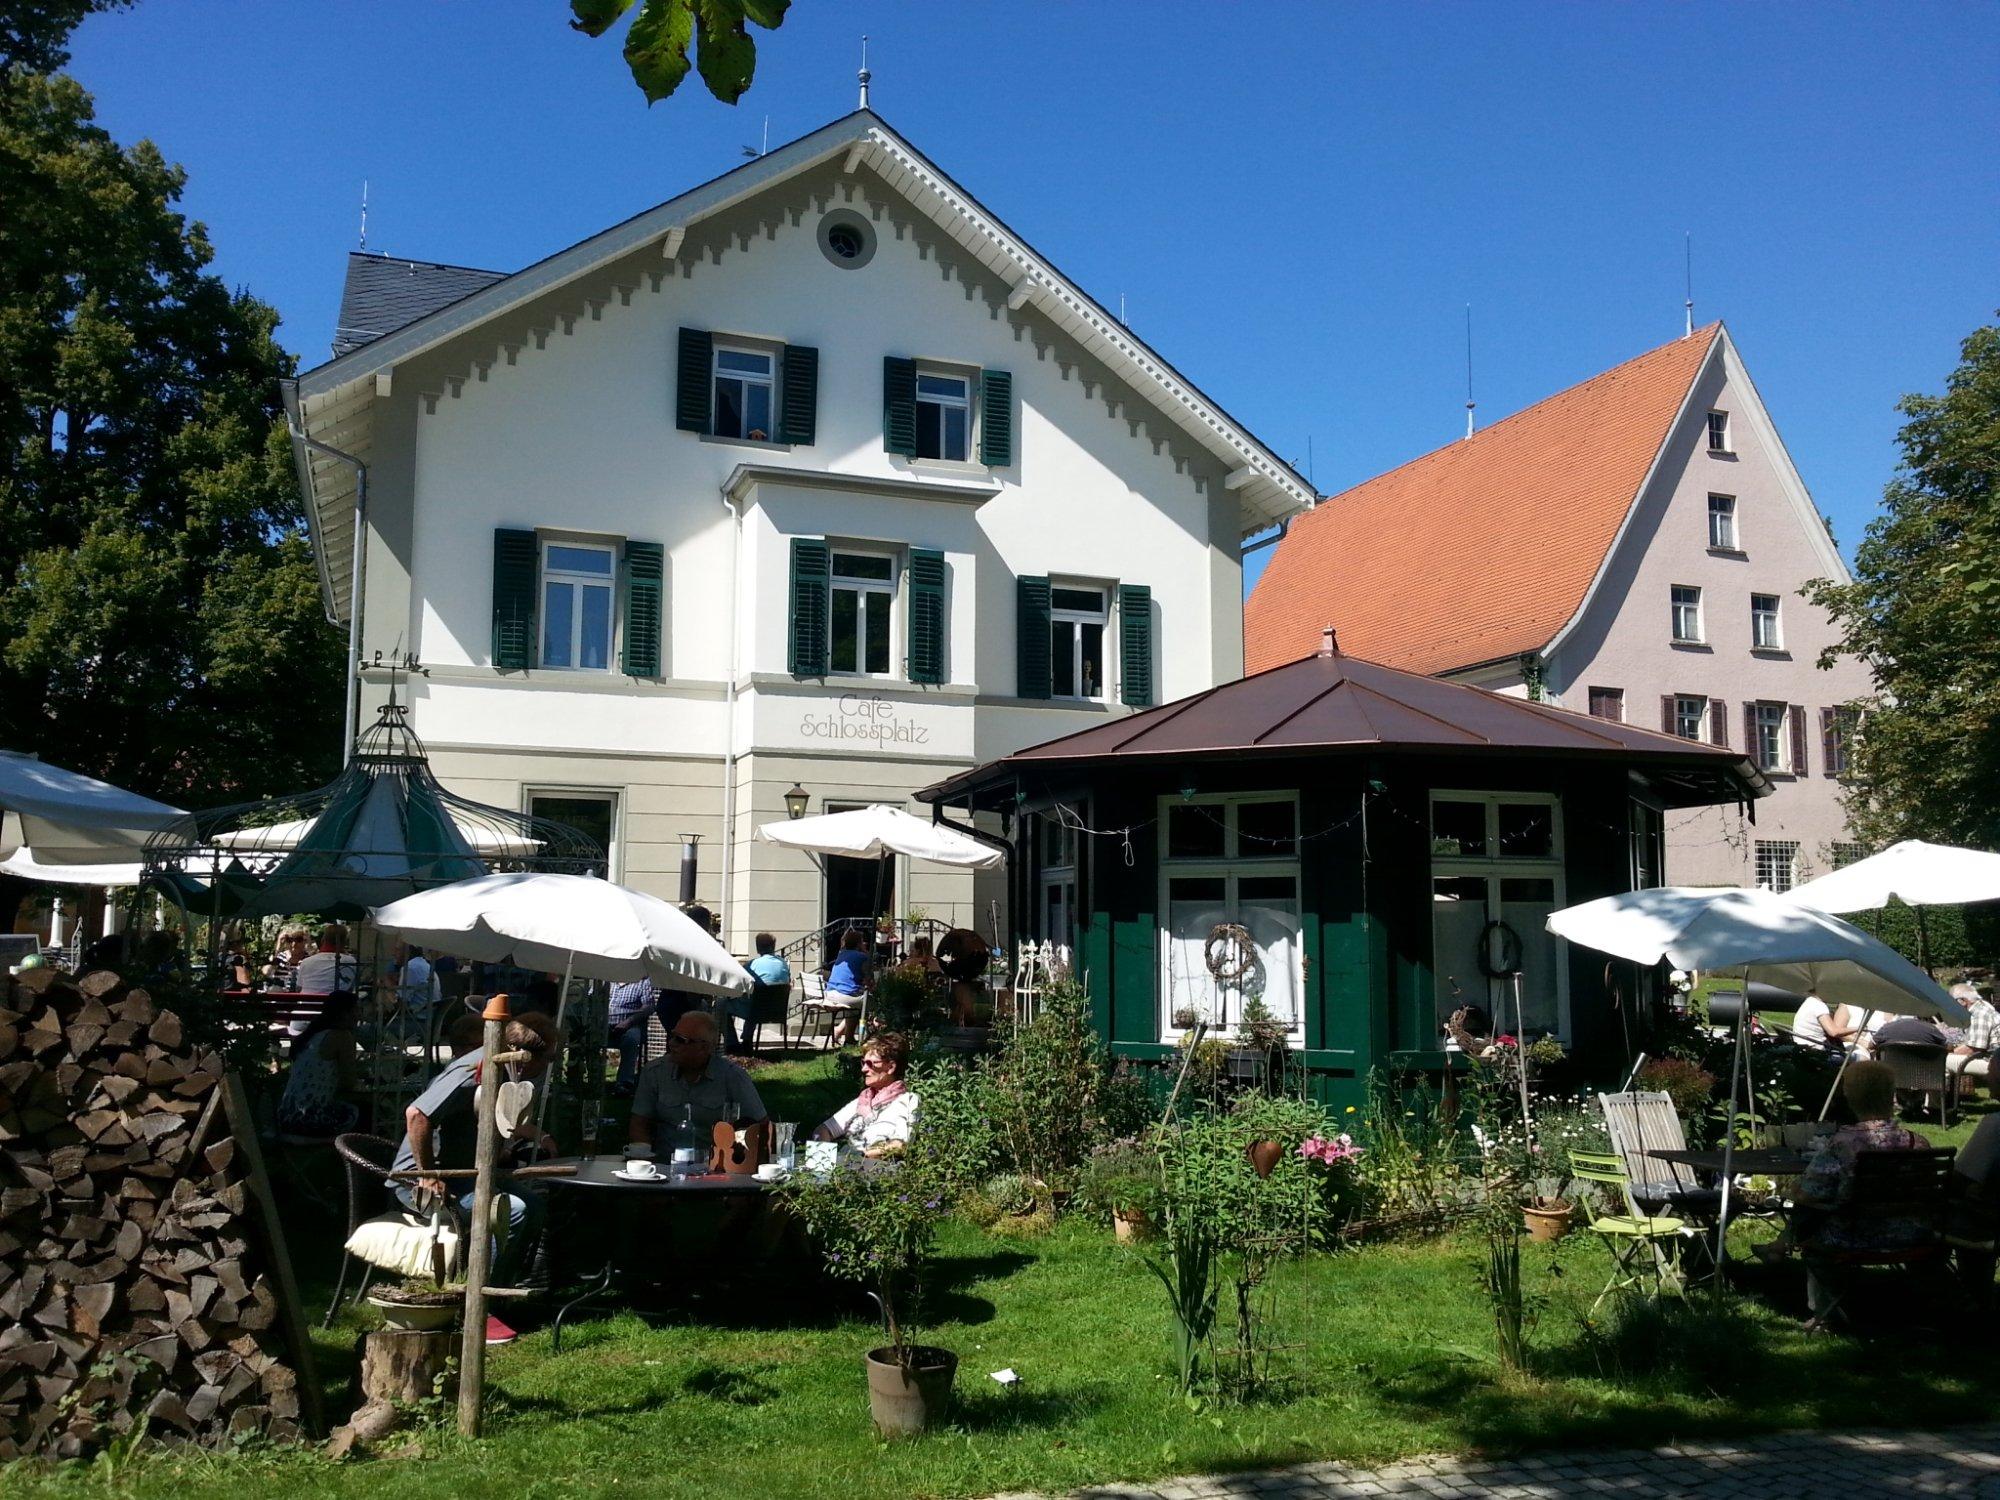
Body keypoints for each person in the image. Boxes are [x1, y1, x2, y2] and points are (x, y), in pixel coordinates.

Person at [392, 1010, 560, 1346]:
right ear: (526, 1057)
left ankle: (499, 1293)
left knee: (537, 1204)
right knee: (512, 1210)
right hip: (422, 1184)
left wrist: (528, 1135)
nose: (551, 1065)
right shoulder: (474, 1070)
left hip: (468, 1173)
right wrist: (427, 1176)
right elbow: (417, 1115)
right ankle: (473, 1307)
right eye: (551, 1058)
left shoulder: (503, 1071)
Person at [1787, 1060, 1934, 1319]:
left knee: (1807, 1216)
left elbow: (1811, 1193)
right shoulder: (1918, 1143)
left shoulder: (1844, 1144)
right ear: (1891, 1096)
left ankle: (1824, 1314)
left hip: (1853, 1236)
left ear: (1849, 1095)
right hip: (1913, 1235)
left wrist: (1793, 1191)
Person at [628, 1010, 768, 1158]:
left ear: (704, 1047)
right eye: (672, 1036)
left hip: (716, 1170)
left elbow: (762, 1126)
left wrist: (738, 1157)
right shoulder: (654, 1072)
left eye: (680, 1040)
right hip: (665, 1167)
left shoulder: (733, 1077)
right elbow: (639, 1123)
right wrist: (643, 1161)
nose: (671, 1043)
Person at [812, 1030, 920, 1157]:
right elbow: (824, 1130)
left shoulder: (907, 1100)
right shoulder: (864, 1100)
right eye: (863, 1062)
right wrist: (822, 1160)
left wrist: (861, 1156)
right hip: (844, 1168)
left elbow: (901, 1145)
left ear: (890, 1067)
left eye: (870, 1064)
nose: (863, 1069)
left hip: (877, 1171)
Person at [277, 990, 362, 1135]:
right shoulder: (342, 1037)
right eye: (356, 1011)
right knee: (362, 1112)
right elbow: (349, 1082)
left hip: (287, 1114)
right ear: (345, 1013)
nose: (359, 1016)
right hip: (309, 1118)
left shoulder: (313, 1034)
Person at [607, 976, 658, 1096]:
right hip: (603, 1024)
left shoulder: (642, 982)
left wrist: (628, 1022)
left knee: (631, 1038)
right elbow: (591, 997)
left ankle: (624, 1083)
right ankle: (584, 1077)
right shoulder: (607, 978)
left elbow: (649, 1007)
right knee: (584, 1035)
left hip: (629, 1025)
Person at [824, 926, 870, 1046]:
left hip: (830, 995)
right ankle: (856, 1037)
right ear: (859, 944)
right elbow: (869, 980)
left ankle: (841, 1032)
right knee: (870, 1002)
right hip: (845, 997)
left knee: (855, 1002)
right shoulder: (862, 957)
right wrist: (866, 953)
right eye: (862, 941)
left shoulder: (841, 955)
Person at [1948, 983, 1996, 1089]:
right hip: (1994, 1058)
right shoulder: (1983, 1006)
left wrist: (1946, 1052)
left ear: (1963, 1001)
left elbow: (1973, 1048)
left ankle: (1937, 1103)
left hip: (1993, 1062)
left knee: (1943, 1062)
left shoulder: (1980, 1014)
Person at [294, 924, 359, 1001]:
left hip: (306, 1009)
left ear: (323, 939)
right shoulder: (350, 962)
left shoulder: (306, 962)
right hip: (335, 1010)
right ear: (344, 941)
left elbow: (299, 988)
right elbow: (350, 988)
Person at [1790, 992, 1855, 1053]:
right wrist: (1859, 1028)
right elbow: (1834, 1032)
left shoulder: (1809, 1001)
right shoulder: (1819, 1006)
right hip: (1816, 1051)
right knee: (1861, 1059)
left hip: (1800, 1046)